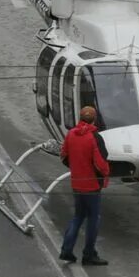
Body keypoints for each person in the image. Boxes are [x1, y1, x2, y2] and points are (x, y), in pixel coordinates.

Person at [57, 105, 110, 264]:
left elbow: (64, 155)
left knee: (78, 216)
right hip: (92, 186)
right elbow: (101, 163)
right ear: (94, 119)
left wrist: (74, 167)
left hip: (77, 184)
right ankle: (89, 254)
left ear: (79, 118)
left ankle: (66, 250)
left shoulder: (71, 134)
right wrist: (105, 174)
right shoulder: (94, 137)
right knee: (93, 219)